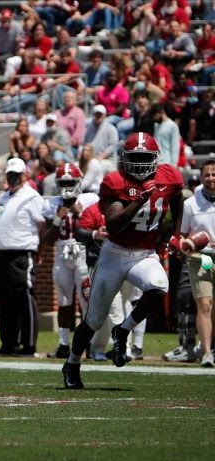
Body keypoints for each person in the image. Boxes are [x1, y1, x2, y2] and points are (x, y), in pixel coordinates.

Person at [62, 133, 184, 389]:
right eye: (135, 158)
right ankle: (72, 363)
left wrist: (176, 233)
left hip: (144, 254)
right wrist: (138, 201)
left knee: (159, 285)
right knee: (94, 319)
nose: (140, 163)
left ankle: (123, 329)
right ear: (125, 160)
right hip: (115, 253)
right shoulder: (115, 181)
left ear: (155, 159)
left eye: (144, 158)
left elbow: (176, 198)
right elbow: (114, 225)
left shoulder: (169, 176)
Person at [0, 157, 45, 356]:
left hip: (21, 252)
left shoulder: (32, 197)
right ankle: (8, 344)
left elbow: (43, 225)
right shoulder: (3, 197)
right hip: (1, 254)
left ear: (24, 175)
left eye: (16, 175)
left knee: (24, 296)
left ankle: (28, 345)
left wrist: (40, 251)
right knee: (5, 300)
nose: (12, 178)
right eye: (9, 175)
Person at [42, 164, 99, 359]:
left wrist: (80, 213)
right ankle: (64, 344)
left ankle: (89, 344)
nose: (66, 186)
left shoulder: (90, 200)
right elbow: (48, 239)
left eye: (70, 182)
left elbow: (98, 227)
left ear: (79, 182)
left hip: (83, 254)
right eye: (63, 183)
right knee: (64, 302)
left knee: (86, 301)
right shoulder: (52, 204)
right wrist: (58, 219)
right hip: (61, 254)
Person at [180, 159, 215, 367]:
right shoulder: (190, 203)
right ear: (201, 177)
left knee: (213, 308)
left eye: (214, 174)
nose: (211, 178)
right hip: (200, 258)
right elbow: (183, 236)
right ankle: (207, 353)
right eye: (207, 175)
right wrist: (188, 244)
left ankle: (206, 346)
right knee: (204, 303)